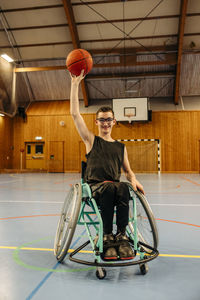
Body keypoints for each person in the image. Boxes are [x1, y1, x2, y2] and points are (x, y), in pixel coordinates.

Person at [70, 70, 144, 261]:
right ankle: (106, 236)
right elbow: (74, 114)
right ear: (96, 122)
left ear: (114, 121)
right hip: (94, 187)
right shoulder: (91, 140)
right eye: (102, 120)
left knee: (122, 187)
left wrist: (134, 181)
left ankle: (121, 236)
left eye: (108, 119)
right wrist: (75, 84)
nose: (105, 123)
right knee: (113, 187)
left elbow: (128, 171)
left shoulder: (120, 147)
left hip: (113, 187)